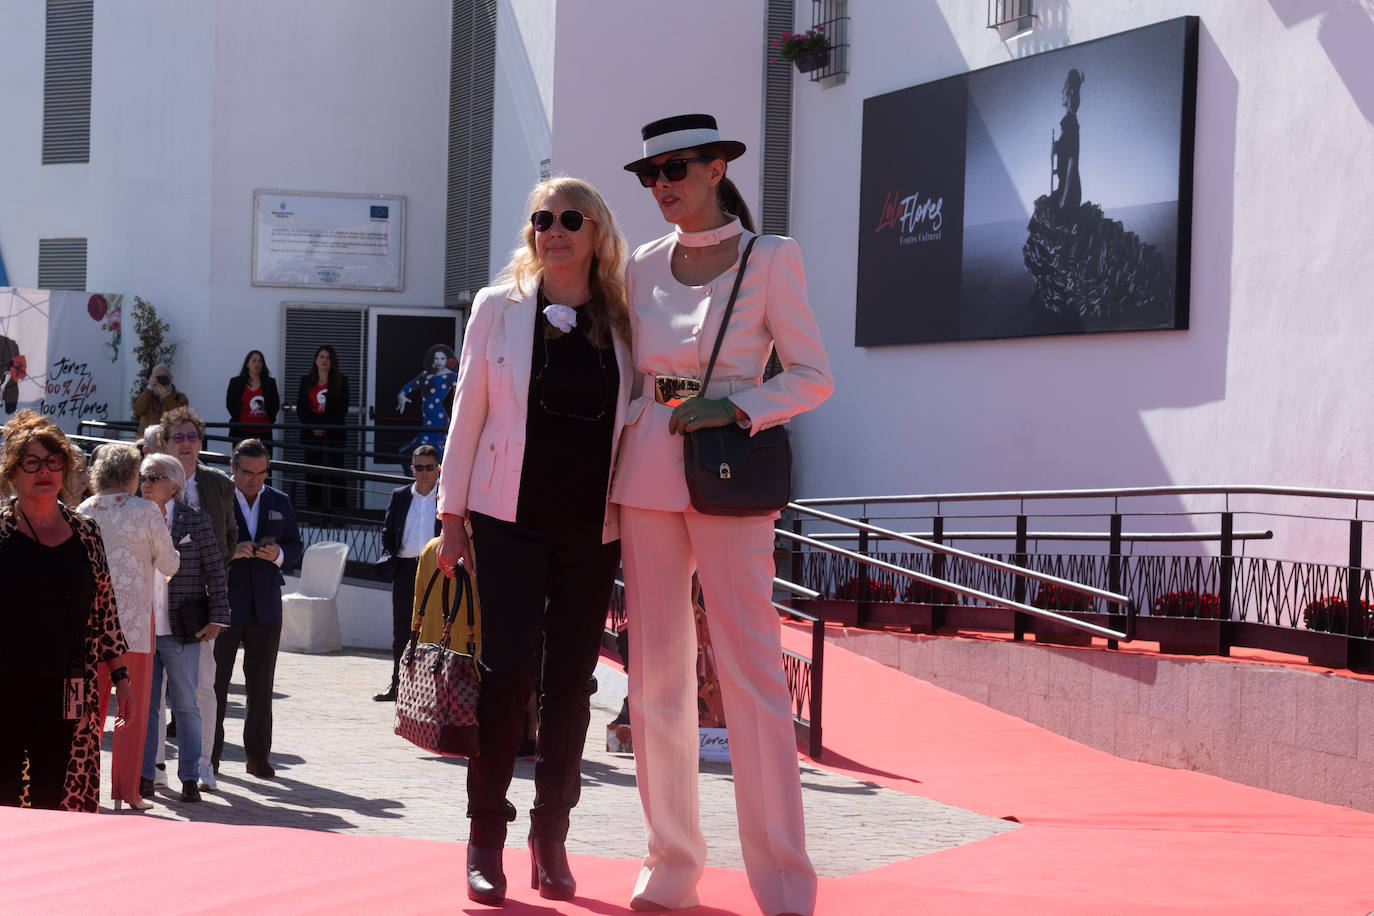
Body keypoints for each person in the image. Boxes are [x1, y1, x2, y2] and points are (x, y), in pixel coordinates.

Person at [613, 114, 834, 916]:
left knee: (754, 678)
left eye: (676, 169)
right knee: (656, 682)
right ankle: (670, 865)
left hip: (730, 470)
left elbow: (812, 375)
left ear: (716, 168)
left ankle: (782, 882)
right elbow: (626, 382)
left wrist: (737, 408)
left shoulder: (772, 258)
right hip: (646, 470)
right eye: (650, 175)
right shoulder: (639, 265)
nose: (662, 185)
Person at [436, 176, 634, 906]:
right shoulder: (498, 308)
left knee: (571, 690)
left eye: (570, 218)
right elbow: (468, 417)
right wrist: (450, 516)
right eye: (542, 219)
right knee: (503, 676)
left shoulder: (624, 316)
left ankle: (551, 835)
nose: (554, 229)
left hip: (595, 525)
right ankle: (485, 835)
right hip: (505, 517)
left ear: (595, 233)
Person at [0, 410, 133, 812]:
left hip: (68, 687)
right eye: (33, 463)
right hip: (5, 684)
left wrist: (122, 677)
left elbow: (105, 610)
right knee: (4, 788)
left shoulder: (86, 533)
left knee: (56, 790)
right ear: (13, 474)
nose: (45, 471)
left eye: (54, 462)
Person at [78, 444, 181, 811]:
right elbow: (169, 562)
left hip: (90, 628)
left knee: (89, 714)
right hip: (134, 627)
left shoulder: (82, 511)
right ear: (132, 475)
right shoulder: (147, 512)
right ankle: (127, 791)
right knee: (131, 712)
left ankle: (86, 789)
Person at [135, 453, 229, 803]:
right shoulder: (134, 518)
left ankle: (190, 776)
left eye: (154, 477)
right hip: (142, 629)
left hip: (182, 629)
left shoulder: (196, 520)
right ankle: (146, 776)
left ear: (174, 484)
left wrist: (218, 617)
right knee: (147, 707)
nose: (145, 483)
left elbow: (215, 571)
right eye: (143, 477)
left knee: (186, 705)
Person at [213, 438, 303, 779]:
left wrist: (277, 555)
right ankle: (212, 756)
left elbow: (295, 546)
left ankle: (258, 757)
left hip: (265, 605)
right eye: (248, 473)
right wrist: (231, 551)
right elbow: (205, 545)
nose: (255, 480)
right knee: (216, 685)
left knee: (261, 685)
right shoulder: (219, 497)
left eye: (261, 473)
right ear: (234, 468)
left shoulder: (279, 500)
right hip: (224, 603)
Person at [160, 405, 237, 791]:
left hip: (201, 606)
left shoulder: (219, 484)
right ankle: (155, 766)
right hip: (156, 604)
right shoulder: (148, 481)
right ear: (165, 441)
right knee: (156, 693)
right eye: (179, 437)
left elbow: (227, 539)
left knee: (204, 687)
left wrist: (214, 593)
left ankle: (205, 764)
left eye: (193, 437)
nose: (187, 444)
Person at [374, 444, 442, 702]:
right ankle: (398, 685)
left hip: (437, 571)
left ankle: (431, 689)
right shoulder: (400, 495)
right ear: (412, 469)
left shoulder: (445, 496)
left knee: (434, 629)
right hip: (405, 569)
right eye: (419, 468)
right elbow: (388, 529)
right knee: (402, 630)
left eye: (429, 468)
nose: (424, 473)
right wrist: (390, 553)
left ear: (438, 469)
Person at [295, 344, 350, 511]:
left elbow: (342, 409)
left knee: (336, 474)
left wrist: (326, 426)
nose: (324, 360)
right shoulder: (306, 381)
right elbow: (301, 408)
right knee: (313, 474)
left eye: (328, 358)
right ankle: (314, 513)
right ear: (315, 360)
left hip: (334, 433)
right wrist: (313, 427)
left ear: (333, 361)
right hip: (311, 434)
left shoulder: (341, 381)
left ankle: (339, 516)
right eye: (321, 357)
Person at [396, 344, 457, 463]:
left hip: (438, 416)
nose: (439, 362)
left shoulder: (450, 376)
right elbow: (410, 385)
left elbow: (465, 389)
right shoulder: (425, 375)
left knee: (429, 449)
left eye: (442, 359)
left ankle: (437, 476)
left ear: (447, 360)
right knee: (422, 451)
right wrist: (401, 395)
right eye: (436, 358)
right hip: (427, 415)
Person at [225, 349, 281, 448]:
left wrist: (270, 420)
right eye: (254, 361)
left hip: (264, 431)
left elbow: (275, 405)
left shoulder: (270, 383)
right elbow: (230, 404)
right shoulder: (236, 382)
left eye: (260, 361)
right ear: (247, 364)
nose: (257, 364)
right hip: (241, 431)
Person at [131, 364, 188, 435]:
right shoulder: (148, 395)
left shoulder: (181, 397)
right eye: (157, 377)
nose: (159, 380)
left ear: (170, 378)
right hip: (146, 441)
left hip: (168, 441)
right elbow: (138, 410)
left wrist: (166, 396)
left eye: (163, 377)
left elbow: (180, 418)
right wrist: (149, 388)